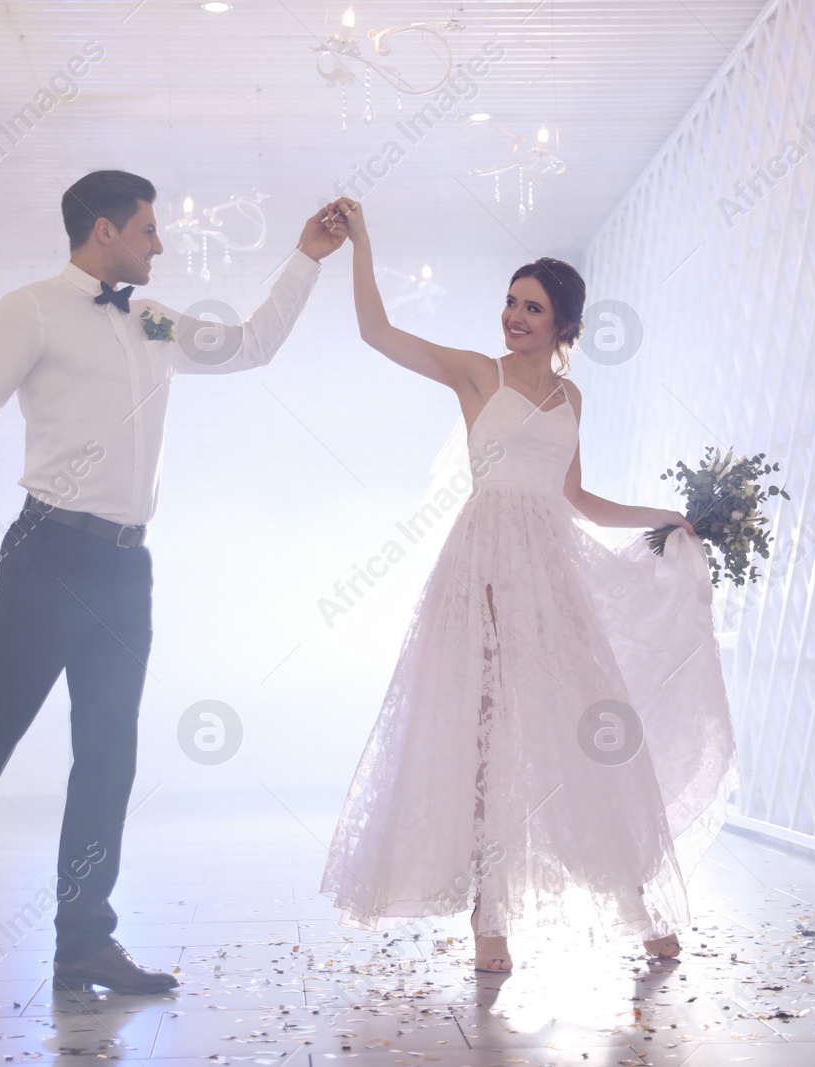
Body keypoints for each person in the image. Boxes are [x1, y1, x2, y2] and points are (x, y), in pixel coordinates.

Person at [0, 170, 347, 1005]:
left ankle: (84, 942)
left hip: (128, 566)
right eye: (149, 229)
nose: (161, 243)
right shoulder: (29, 309)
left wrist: (306, 256)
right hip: (48, 553)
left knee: (109, 757)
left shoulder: (150, 317)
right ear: (106, 231)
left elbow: (250, 345)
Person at [318, 198, 739, 973]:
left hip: (552, 575)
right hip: (480, 567)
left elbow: (576, 497)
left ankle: (638, 904)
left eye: (531, 307)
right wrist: (362, 242)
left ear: (562, 326)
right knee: (483, 739)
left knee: (588, 735)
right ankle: (490, 917)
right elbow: (377, 332)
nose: (512, 315)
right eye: (511, 301)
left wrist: (669, 517)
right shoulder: (479, 375)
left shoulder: (572, 399)